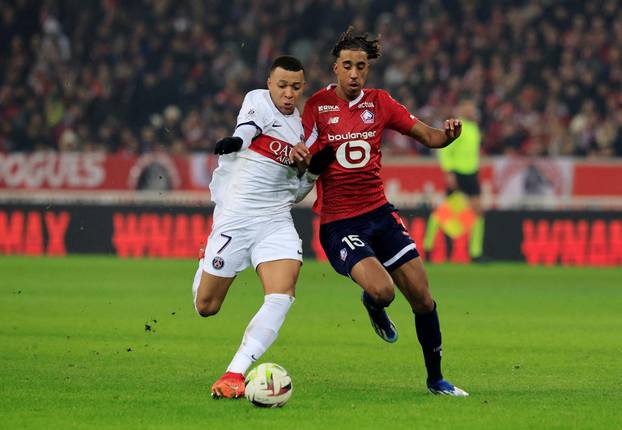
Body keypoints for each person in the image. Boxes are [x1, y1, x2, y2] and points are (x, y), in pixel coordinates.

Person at [302, 28, 468, 396]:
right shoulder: (316, 106)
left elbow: (429, 137)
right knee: (383, 290)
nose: (354, 73)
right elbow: (305, 159)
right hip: (339, 222)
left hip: (379, 213)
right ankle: (374, 304)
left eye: (361, 66)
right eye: (347, 66)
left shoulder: (380, 102)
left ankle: (436, 379)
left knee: (423, 298)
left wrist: (448, 135)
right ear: (335, 68)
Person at [192, 55, 334, 399]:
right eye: (282, 85)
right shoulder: (257, 100)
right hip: (236, 217)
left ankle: (234, 372)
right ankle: (205, 259)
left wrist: (312, 170)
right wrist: (236, 143)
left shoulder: (303, 130)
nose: (288, 93)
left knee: (282, 294)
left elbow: (296, 192)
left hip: (274, 219)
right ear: (270, 84)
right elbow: (247, 130)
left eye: (295, 87)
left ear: (303, 88)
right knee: (206, 307)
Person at [424, 99, 485, 261]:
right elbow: (445, 151)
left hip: (471, 174)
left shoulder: (474, 128)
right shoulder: (457, 126)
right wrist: (449, 172)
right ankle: (428, 247)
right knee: (444, 213)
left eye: (473, 107)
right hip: (457, 173)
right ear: (462, 108)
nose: (473, 110)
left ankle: (476, 253)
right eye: (469, 106)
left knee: (478, 211)